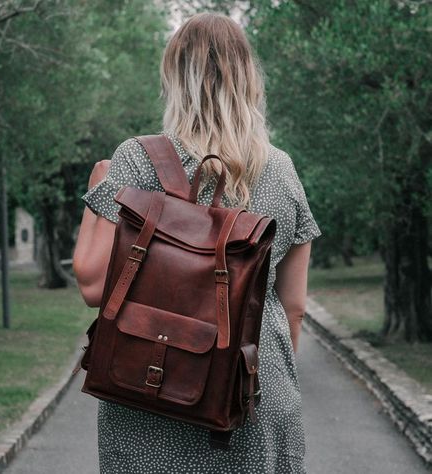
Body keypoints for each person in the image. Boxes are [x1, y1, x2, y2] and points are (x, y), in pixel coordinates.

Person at [73, 11, 321, 474]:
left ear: (175, 78)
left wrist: (98, 186)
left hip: (152, 383)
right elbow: (294, 307)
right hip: (253, 392)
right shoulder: (283, 172)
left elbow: (92, 285)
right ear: (248, 79)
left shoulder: (135, 159)